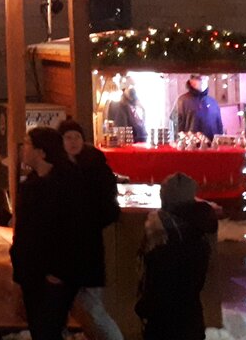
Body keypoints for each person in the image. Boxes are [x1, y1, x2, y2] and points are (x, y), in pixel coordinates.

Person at [10, 126, 83, 340]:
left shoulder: (66, 183)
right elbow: (23, 231)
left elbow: (73, 230)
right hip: (30, 270)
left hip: (55, 273)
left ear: (41, 152)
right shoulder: (31, 183)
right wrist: (19, 270)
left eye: (27, 144)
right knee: (38, 328)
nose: (23, 149)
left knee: (48, 330)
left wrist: (59, 271)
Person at [58, 119, 123, 340]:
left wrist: (87, 222)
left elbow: (109, 208)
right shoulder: (58, 168)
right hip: (64, 249)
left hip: (88, 247)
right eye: (68, 137)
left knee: (92, 304)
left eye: (76, 137)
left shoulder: (96, 166)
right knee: (62, 305)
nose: (73, 141)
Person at [136, 172, 218, 340]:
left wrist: (143, 308)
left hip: (164, 321)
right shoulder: (199, 225)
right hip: (191, 316)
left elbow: (154, 281)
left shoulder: (161, 230)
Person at [173, 75, 224, 140]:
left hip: (211, 147)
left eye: (205, 78)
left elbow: (219, 127)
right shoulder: (182, 101)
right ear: (191, 81)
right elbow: (174, 126)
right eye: (199, 78)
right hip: (190, 147)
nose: (203, 81)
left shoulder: (213, 103)